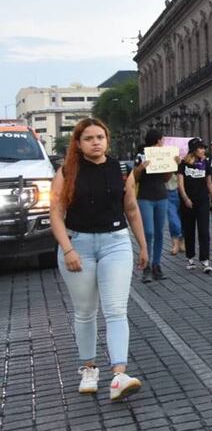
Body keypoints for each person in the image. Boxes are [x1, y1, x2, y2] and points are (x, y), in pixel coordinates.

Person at [49, 118, 148, 401]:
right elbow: (55, 213)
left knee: (116, 309)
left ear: (107, 140)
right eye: (89, 138)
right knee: (85, 311)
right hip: (78, 244)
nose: (96, 142)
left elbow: (131, 209)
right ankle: (89, 368)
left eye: (100, 137)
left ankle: (119, 374)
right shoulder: (68, 171)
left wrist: (142, 245)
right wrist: (68, 249)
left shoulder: (120, 169)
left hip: (115, 243)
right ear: (78, 144)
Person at [134, 129, 172, 283]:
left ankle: (157, 265)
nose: (163, 142)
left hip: (161, 196)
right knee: (148, 232)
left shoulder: (164, 154)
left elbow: (166, 178)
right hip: (145, 197)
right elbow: (135, 177)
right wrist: (142, 167)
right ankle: (146, 265)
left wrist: (172, 165)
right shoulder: (141, 155)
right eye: (162, 139)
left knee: (159, 233)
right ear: (158, 140)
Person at [177, 138, 212, 274]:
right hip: (188, 202)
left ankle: (205, 260)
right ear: (193, 149)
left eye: (204, 147)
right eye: (200, 148)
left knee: (204, 230)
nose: (203, 150)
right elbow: (180, 184)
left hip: (203, 200)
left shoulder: (205, 163)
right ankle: (190, 257)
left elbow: (209, 183)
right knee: (189, 230)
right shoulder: (183, 164)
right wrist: (185, 198)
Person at [165, 171, 185, 256]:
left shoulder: (185, 157)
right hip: (167, 191)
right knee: (173, 219)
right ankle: (175, 243)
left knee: (183, 217)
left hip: (182, 190)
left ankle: (181, 242)